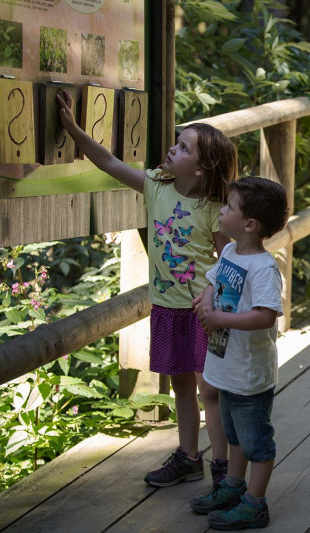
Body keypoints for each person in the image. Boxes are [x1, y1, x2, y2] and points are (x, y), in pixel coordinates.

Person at [56, 90, 234, 488]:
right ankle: (189, 457)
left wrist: (211, 296)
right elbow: (108, 162)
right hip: (167, 307)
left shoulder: (214, 209)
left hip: (203, 312)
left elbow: (228, 261)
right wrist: (73, 130)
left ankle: (222, 468)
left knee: (212, 392)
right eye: (176, 142)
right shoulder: (156, 184)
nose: (172, 149)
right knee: (182, 386)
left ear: (203, 168)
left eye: (183, 147)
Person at [189, 176, 289, 530]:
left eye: (229, 206)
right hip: (225, 365)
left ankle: (254, 504)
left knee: (257, 443)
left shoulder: (263, 268)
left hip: (249, 374)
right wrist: (205, 297)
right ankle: (233, 486)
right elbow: (214, 279)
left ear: (250, 224)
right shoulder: (230, 251)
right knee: (235, 436)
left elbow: (265, 315)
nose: (221, 210)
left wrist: (219, 317)